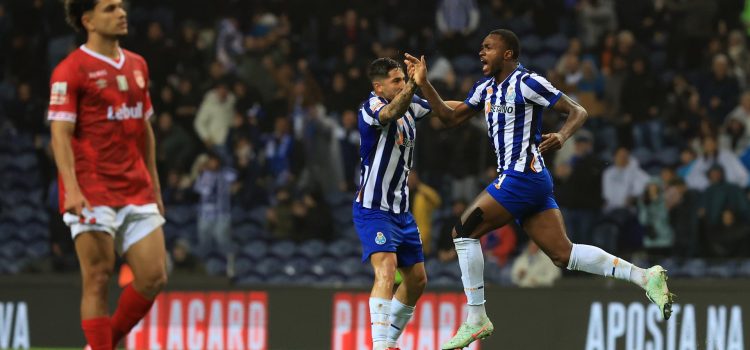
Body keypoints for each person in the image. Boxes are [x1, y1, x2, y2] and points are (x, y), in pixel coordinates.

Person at [405, 29, 673, 349]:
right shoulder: (486, 89)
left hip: (522, 176)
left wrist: (562, 135)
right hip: (527, 180)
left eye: (488, 47)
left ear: (508, 54)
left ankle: (476, 317)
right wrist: (423, 83)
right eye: (480, 48)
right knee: (564, 254)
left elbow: (578, 111)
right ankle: (645, 277)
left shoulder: (528, 82)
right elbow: (449, 117)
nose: (481, 53)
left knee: (463, 232)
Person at [48, 1, 167, 349]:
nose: (122, 13)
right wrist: (71, 188)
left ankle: (102, 344)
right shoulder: (71, 70)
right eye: (110, 8)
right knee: (98, 278)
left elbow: (145, 129)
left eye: (122, 7)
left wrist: (155, 185)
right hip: (92, 188)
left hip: (136, 186)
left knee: (153, 276)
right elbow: (60, 135)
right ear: (88, 21)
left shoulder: (138, 65)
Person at [352, 57, 446, 350]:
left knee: (417, 280)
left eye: (403, 79)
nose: (402, 85)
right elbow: (392, 111)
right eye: (396, 81)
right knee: (387, 269)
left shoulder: (411, 105)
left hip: (401, 213)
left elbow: (445, 108)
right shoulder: (371, 108)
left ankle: (390, 341)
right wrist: (415, 84)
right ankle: (380, 345)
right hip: (373, 209)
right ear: (378, 87)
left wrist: (483, 102)